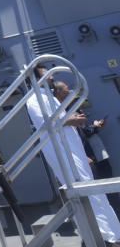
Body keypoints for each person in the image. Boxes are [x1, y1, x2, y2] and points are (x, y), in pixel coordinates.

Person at [25, 66, 120, 244]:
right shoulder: (33, 100)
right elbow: (49, 122)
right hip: (62, 152)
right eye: (47, 75)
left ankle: (111, 233)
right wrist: (75, 120)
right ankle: (100, 235)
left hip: (73, 151)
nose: (52, 77)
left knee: (91, 190)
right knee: (82, 191)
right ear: (36, 80)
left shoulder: (49, 98)